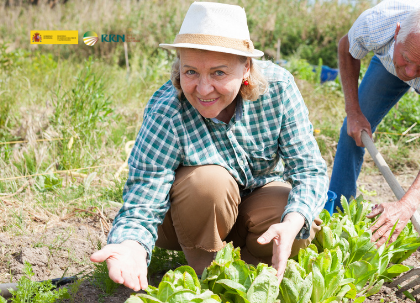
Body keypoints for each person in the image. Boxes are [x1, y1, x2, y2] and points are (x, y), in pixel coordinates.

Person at [90, 2, 328, 291]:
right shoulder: (168, 109)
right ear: (178, 67)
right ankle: (206, 276)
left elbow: (309, 169)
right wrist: (130, 244)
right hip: (188, 215)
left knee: (296, 217)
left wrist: (292, 221)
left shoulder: (278, 89)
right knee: (208, 182)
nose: (203, 89)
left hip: (253, 203)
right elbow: (145, 192)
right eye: (191, 72)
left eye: (218, 73)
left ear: (246, 69)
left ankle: (248, 267)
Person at [329, 0, 420, 274]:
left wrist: (406, 206)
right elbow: (346, 48)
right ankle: (333, 219)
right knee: (355, 128)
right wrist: (353, 111)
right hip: (389, 63)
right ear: (397, 32)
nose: (410, 74)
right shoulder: (376, 24)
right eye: (408, 61)